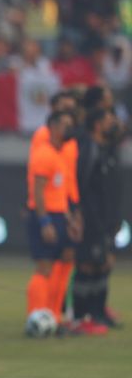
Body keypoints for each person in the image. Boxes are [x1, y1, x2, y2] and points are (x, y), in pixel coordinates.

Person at [74, 108, 123, 332]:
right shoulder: (90, 149)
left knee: (102, 263)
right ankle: (81, 318)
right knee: (87, 265)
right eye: (108, 118)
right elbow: (81, 185)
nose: (112, 122)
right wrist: (81, 214)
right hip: (91, 218)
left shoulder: (106, 149)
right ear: (97, 124)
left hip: (105, 218)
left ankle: (97, 313)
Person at [25, 111, 74, 324]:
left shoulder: (59, 153)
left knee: (59, 263)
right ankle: (36, 314)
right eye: (65, 125)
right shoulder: (44, 154)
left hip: (60, 214)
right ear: (53, 127)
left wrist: (69, 218)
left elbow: (60, 190)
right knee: (44, 266)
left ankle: (53, 313)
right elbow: (38, 192)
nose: (69, 129)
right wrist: (45, 222)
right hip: (46, 216)